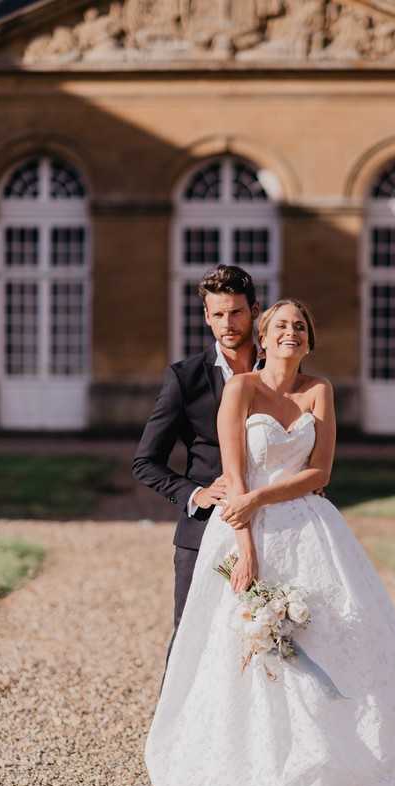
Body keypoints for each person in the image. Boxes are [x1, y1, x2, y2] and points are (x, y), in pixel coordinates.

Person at [121, 299, 395, 786]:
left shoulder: (320, 391)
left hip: (310, 529)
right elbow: (234, 477)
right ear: (262, 338)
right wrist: (245, 548)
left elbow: (320, 472)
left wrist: (265, 495)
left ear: (309, 340)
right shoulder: (240, 390)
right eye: (281, 325)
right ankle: (252, 768)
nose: (290, 333)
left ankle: (343, 768)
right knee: (242, 651)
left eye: (300, 327)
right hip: (245, 530)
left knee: (336, 637)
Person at [131, 264, 262, 691]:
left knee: (270, 635)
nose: (228, 324)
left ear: (254, 312)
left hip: (275, 527)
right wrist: (196, 493)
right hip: (204, 531)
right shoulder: (184, 378)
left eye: (237, 313)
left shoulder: (279, 373)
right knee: (192, 638)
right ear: (206, 316)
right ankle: (172, 746)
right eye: (218, 314)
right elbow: (145, 462)